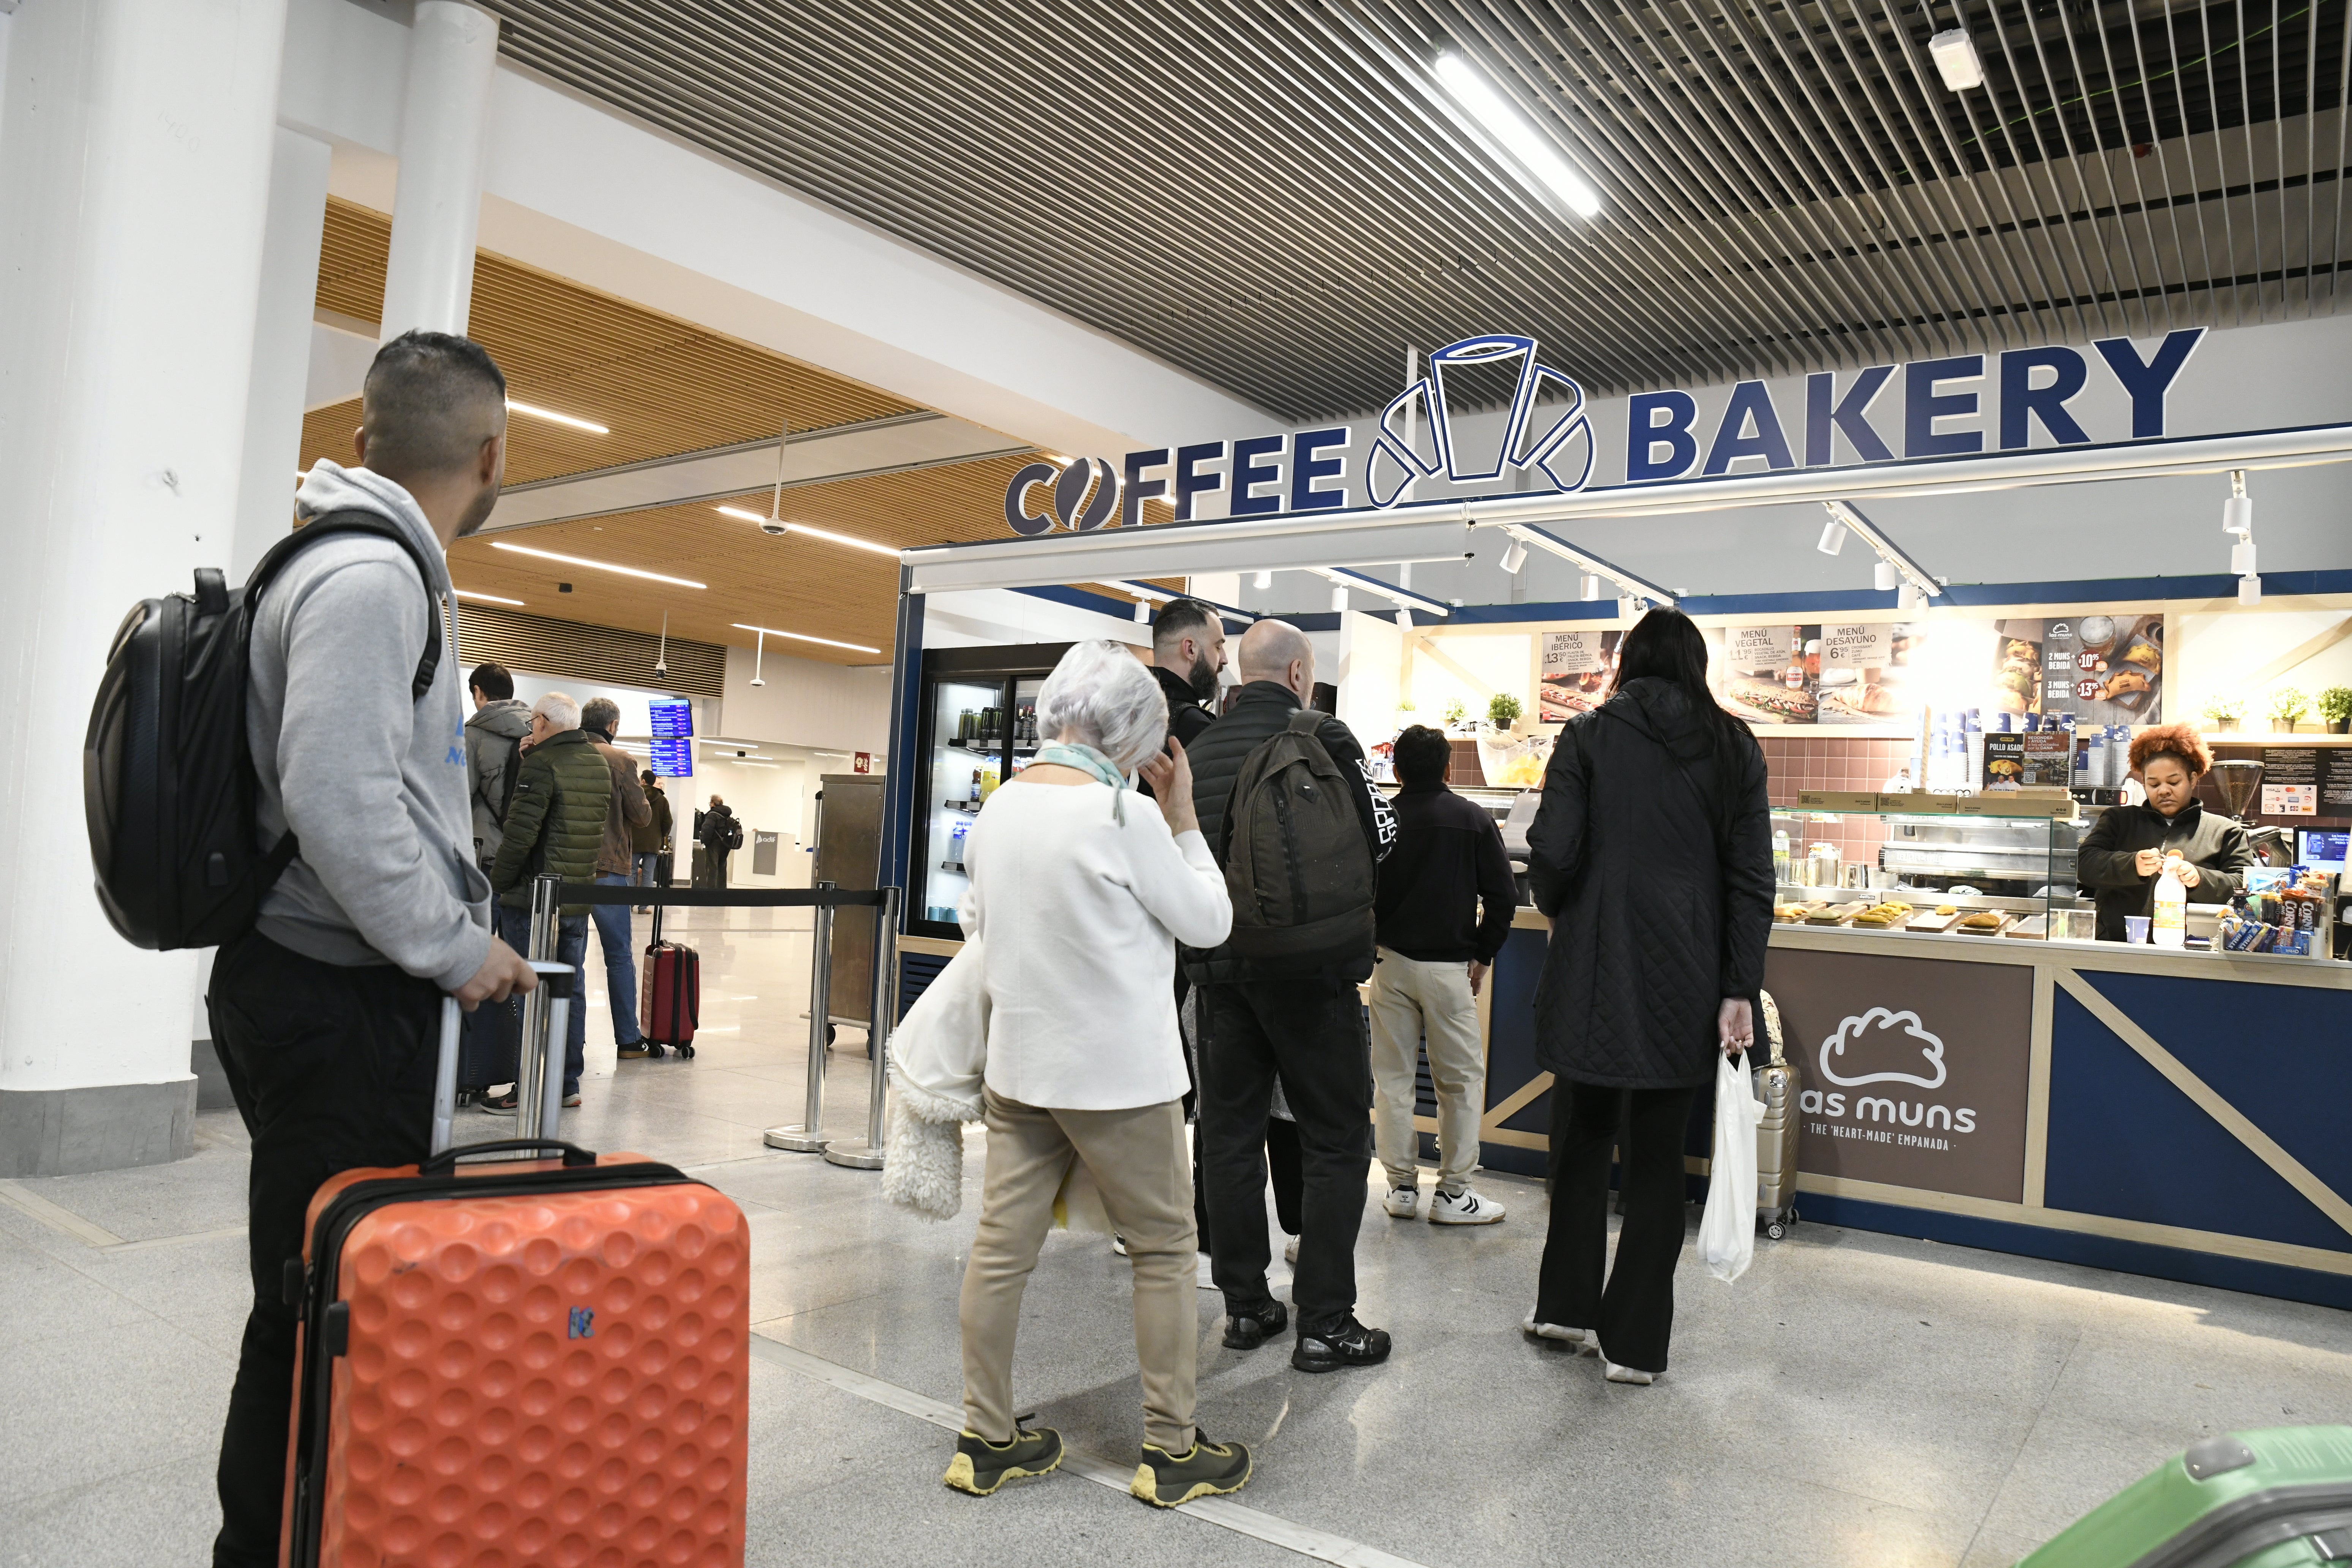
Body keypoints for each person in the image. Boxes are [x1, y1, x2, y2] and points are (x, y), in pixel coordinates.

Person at [207, 330, 537, 1568]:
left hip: (320, 983)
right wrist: (453, 948)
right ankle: (273, 1547)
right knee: (310, 1309)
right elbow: (339, 794)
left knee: (334, 1297)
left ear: (366, 440)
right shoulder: (373, 578)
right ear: (492, 455)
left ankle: (325, 1534)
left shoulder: (356, 561)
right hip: (331, 994)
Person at [949, 640, 1250, 1506]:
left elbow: (980, 916)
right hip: (1121, 1075)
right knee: (1162, 1247)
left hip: (1019, 1066)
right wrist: (1183, 814)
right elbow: (1207, 921)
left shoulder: (1001, 805)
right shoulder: (1124, 815)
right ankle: (1170, 1447)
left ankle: (987, 1434)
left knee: (1002, 1247)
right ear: (1130, 727)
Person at [1524, 607, 1772, 1385]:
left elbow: (1553, 850)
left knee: (1583, 1143)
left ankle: (1565, 1310)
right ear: (1698, 666)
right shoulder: (1735, 745)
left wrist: (1565, 902)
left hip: (1594, 961)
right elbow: (1752, 878)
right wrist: (1740, 986)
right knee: (1661, 1159)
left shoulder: (1588, 736)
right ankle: (1633, 1346)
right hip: (1690, 968)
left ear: (1626, 663)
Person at [1184, 618, 1397, 1374]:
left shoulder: (1198, 749)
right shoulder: (1328, 739)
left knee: (1230, 1138)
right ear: (1301, 671)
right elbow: (1384, 838)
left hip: (1220, 974)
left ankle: (1246, 1308)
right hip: (1314, 975)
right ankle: (1326, 1321)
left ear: (1240, 673)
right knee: (1337, 1141)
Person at [1369, 724, 1515, 1225]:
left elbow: (1358, 889)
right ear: (1449, 767)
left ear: (1398, 769)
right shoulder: (1472, 819)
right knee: (1459, 1082)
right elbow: (1504, 896)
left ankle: (1401, 1188)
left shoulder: (1383, 817)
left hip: (1389, 965)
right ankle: (1454, 1194)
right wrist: (1484, 952)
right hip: (1450, 969)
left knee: (1392, 1082)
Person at [484, 691, 611, 1109]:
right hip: (576, 896)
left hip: (533, 899)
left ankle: (527, 1084)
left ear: (540, 722)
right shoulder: (596, 762)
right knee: (568, 991)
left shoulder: (542, 764)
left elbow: (521, 835)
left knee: (526, 990)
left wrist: (497, 885)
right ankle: (566, 1084)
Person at [2078, 724, 2254, 941]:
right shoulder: (2118, 820)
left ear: (2193, 779)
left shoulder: (2225, 831)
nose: (2163, 790)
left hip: (2197, 948)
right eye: (2153, 784)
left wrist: (2200, 878)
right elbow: (2084, 865)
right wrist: (2132, 865)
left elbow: (2245, 889)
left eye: (2173, 782)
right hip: (2118, 943)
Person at [579, 698, 653, 1059]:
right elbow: (641, 816)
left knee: (569, 959)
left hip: (568, 873)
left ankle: (569, 1041)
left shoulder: (563, 755)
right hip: (609, 870)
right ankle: (627, 1039)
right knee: (619, 956)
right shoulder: (621, 761)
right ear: (612, 726)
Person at [463, 660, 529, 868]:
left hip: (483, 848)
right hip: (522, 849)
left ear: (478, 691)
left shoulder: (472, 735)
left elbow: (460, 795)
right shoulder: (535, 732)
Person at [633, 768, 672, 910]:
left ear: (643, 781)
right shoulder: (662, 800)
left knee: (631, 873)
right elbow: (668, 822)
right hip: (653, 843)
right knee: (648, 875)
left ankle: (628, 904)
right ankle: (643, 907)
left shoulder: (636, 797)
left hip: (635, 841)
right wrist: (661, 835)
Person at [699, 793, 741, 888]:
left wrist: (704, 841)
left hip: (714, 845)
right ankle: (722, 892)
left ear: (713, 804)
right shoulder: (727, 815)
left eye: (710, 803)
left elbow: (707, 829)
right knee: (722, 867)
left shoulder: (712, 815)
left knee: (712, 868)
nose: (710, 805)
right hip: (726, 844)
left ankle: (711, 893)